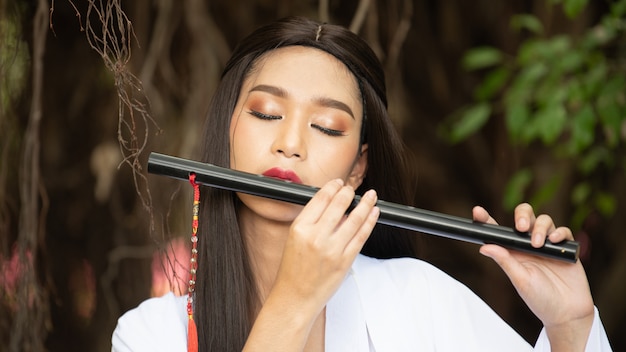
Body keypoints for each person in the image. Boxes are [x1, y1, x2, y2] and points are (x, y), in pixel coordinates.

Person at [112, 16, 612, 351]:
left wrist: (570, 325)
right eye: (267, 113)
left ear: (358, 168)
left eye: (327, 126)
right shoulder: (151, 334)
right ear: (227, 132)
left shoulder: (423, 301)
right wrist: (293, 301)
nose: (291, 143)